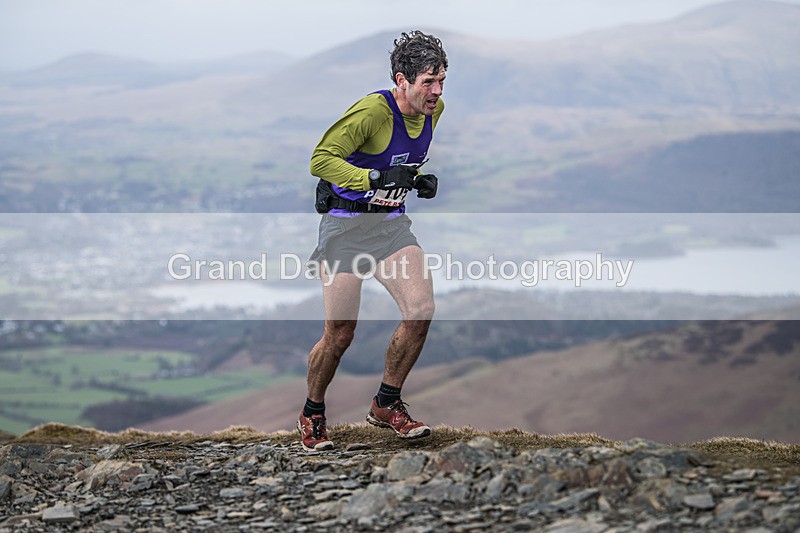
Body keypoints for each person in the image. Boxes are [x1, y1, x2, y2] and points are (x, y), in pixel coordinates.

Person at [297, 30, 448, 451]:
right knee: (340, 334)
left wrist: (416, 182)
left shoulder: (435, 112)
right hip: (345, 228)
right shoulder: (372, 112)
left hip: (389, 228)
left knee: (421, 310)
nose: (436, 92)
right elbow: (321, 161)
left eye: (441, 82)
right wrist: (371, 179)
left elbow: (398, 161)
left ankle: (386, 403)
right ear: (402, 80)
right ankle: (312, 413)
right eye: (427, 83)